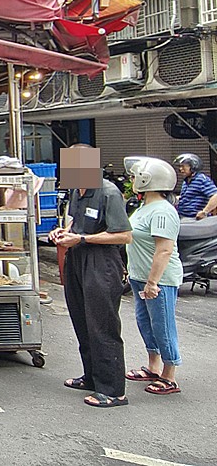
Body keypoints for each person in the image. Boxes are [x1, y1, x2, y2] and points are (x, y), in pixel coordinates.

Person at [50, 145, 133, 408]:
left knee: (102, 324)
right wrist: (61, 233)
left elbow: (124, 235)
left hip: (101, 261)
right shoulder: (76, 191)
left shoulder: (108, 192)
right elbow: (73, 223)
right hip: (77, 258)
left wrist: (83, 238)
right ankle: (92, 376)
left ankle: (113, 391)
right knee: (82, 320)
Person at [124, 157, 183, 396]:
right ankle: (153, 366)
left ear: (146, 180)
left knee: (163, 325)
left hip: (159, 279)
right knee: (145, 323)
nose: (131, 181)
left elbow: (164, 250)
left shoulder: (162, 211)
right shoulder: (144, 207)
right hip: (140, 276)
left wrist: (152, 282)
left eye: (133, 177)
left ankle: (169, 376)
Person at [173, 153, 217, 219]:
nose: (180, 169)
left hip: (195, 220)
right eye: (179, 166)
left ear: (193, 166)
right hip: (183, 218)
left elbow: (215, 196)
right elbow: (188, 197)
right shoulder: (186, 181)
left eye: (183, 166)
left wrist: (204, 212)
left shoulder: (201, 179)